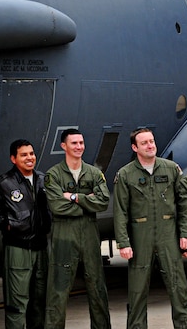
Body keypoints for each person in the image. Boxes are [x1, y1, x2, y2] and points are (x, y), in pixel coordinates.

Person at [114, 127, 187, 329]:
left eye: (152, 141)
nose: (150, 145)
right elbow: (121, 211)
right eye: (144, 143)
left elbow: (184, 204)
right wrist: (123, 242)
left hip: (168, 235)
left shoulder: (171, 169)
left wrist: (186, 233)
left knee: (179, 288)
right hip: (140, 238)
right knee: (138, 291)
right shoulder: (125, 175)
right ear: (135, 147)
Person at [44, 129, 111, 329]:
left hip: (89, 234)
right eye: (74, 143)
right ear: (63, 146)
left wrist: (74, 197)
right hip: (64, 234)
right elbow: (57, 206)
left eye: (81, 142)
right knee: (58, 288)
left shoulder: (94, 173)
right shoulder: (53, 175)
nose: (79, 147)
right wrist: (87, 202)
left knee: (97, 286)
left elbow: (103, 202)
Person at [0, 139, 51, 329]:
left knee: (39, 303)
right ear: (13, 159)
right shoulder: (3, 183)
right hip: (18, 249)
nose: (30, 158)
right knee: (17, 306)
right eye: (24, 155)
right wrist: (9, 224)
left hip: (41, 248)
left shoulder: (43, 180)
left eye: (31, 154)